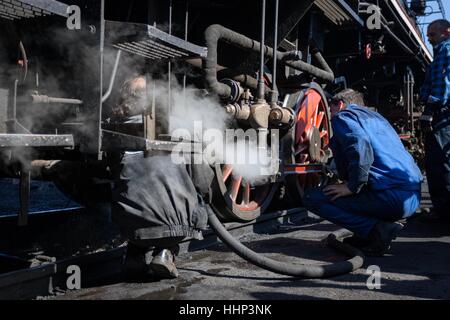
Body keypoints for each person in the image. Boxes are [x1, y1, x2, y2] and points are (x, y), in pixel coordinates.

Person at [303, 89, 423, 256]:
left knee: (312, 198)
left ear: (340, 104)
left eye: (331, 110)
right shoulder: (380, 119)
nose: (331, 117)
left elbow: (359, 145)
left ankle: (377, 230)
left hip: (390, 197)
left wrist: (352, 186)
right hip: (412, 198)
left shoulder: (344, 116)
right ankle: (368, 235)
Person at [419, 19, 450, 221]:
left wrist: (430, 109)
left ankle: (444, 211)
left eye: (432, 35)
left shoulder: (445, 51)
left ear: (447, 32)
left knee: (439, 161)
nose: (429, 39)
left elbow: (441, 85)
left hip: (441, 113)